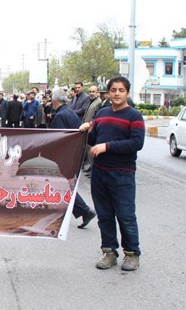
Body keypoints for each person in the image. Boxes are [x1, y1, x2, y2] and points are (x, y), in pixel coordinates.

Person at [79, 76, 145, 272]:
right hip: (100, 173)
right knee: (105, 215)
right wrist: (86, 130)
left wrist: (107, 146)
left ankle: (132, 254)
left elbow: (136, 143)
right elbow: (94, 139)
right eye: (113, 90)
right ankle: (109, 252)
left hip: (122, 174)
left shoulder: (134, 116)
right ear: (108, 93)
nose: (117, 93)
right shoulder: (102, 113)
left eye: (121, 90)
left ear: (127, 93)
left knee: (125, 216)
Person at [49, 88, 97, 230]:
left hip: (63, 156)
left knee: (61, 185)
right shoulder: (69, 112)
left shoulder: (60, 115)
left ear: (54, 101)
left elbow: (56, 139)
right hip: (72, 154)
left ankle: (84, 210)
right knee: (61, 185)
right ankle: (82, 210)